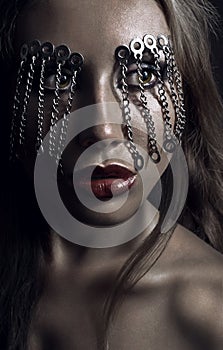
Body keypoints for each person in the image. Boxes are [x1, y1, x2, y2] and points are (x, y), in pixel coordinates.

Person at [0, 0, 223, 349]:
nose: (103, 128)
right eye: (58, 77)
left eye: (143, 74)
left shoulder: (211, 314)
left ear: (188, 92)